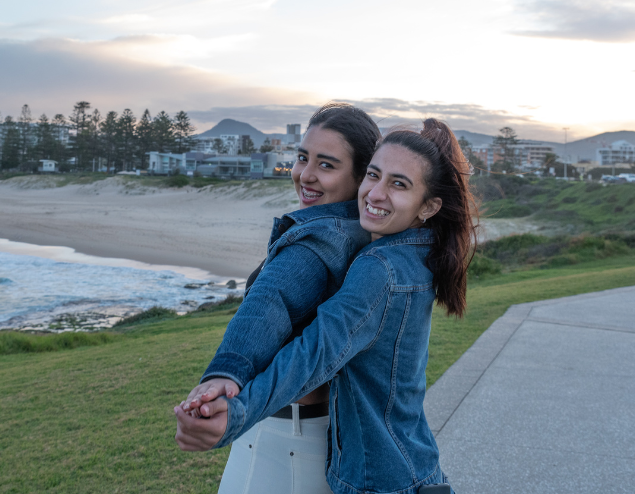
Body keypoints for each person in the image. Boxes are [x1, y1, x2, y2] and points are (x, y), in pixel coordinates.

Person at [176, 118, 476, 494]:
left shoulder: (378, 265)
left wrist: (237, 407)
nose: (376, 193)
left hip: (373, 477)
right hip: (408, 464)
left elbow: (317, 347)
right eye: (375, 176)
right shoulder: (412, 250)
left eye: (399, 184)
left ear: (429, 205)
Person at [180, 103, 381, 494]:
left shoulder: (317, 242)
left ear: (361, 176)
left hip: (280, 444)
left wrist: (226, 371)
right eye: (302, 158)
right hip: (328, 437)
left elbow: (270, 303)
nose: (305, 175)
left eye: (326, 165)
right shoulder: (368, 235)